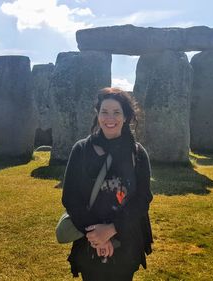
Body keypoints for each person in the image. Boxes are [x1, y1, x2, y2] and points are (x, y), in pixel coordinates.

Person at [61, 87, 153, 281]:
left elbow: (142, 199)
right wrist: (97, 237)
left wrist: (111, 229)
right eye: (104, 112)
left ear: (126, 117)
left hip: (127, 240)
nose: (109, 118)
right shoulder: (82, 150)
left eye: (116, 112)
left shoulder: (137, 154)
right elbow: (70, 197)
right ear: (98, 114)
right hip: (89, 242)